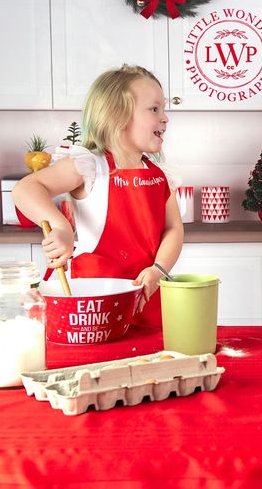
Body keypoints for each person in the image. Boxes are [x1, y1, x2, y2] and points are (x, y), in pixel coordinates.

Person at [12, 64, 183, 323]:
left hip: (146, 296)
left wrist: (158, 270)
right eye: (154, 109)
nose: (165, 117)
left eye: (164, 109)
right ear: (118, 116)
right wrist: (61, 227)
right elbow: (26, 188)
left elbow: (173, 228)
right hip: (94, 303)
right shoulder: (90, 165)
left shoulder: (159, 175)